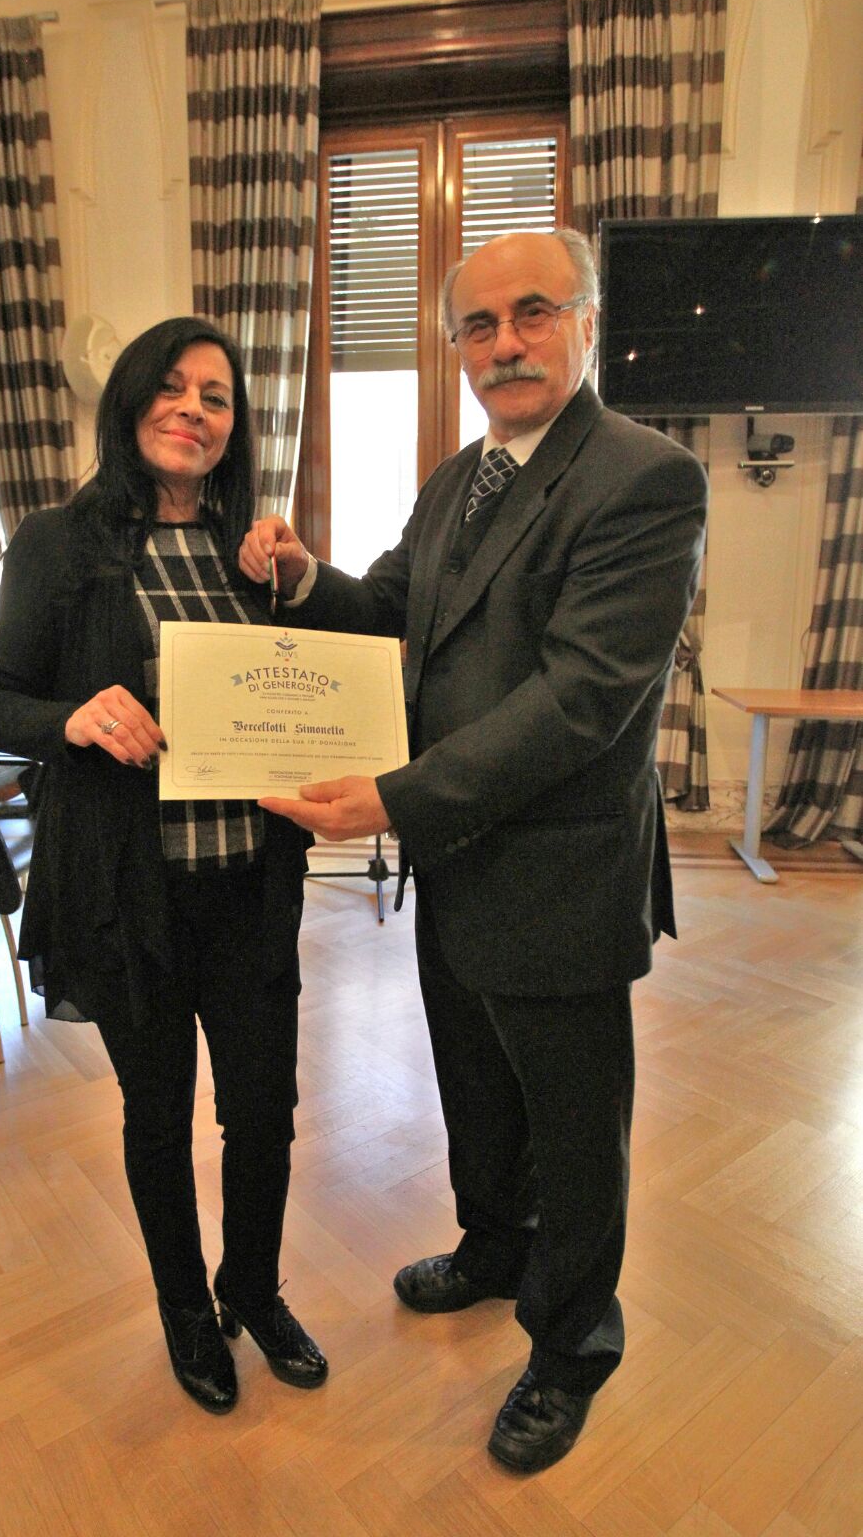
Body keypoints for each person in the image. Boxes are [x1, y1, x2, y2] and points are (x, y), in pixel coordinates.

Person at [239, 229, 708, 1472]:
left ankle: (571, 1344)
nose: (505, 343)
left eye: (532, 312)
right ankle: (495, 1246)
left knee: (574, 1122)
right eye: (479, 325)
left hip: (559, 866)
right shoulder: (458, 478)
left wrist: (395, 797)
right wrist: (305, 577)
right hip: (457, 859)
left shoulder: (646, 477)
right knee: (476, 1086)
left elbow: (580, 699)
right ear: (455, 346)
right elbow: (392, 607)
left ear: (585, 321)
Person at [0, 316, 327, 1416]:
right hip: (130, 897)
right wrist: (74, 716)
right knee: (158, 1115)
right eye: (172, 388)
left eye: (216, 397)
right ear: (130, 403)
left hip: (249, 886)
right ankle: (185, 1309)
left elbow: (307, 684)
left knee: (263, 1112)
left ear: (235, 426)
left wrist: (300, 582)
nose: (192, 410)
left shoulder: (253, 553)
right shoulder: (57, 542)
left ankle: (252, 1287)